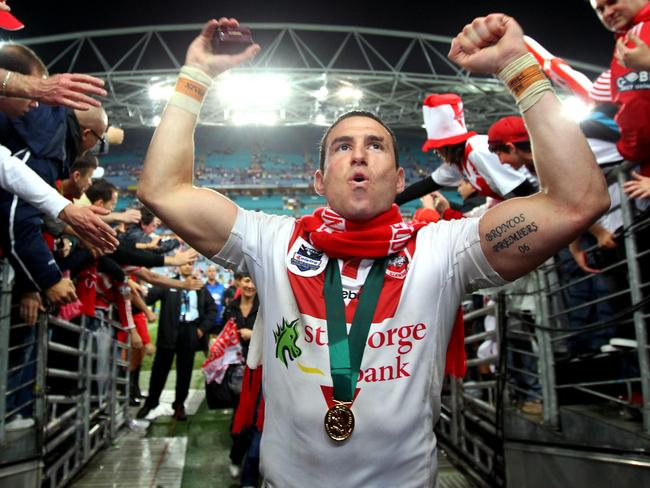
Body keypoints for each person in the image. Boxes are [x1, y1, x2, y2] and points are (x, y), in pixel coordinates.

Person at [137, 15, 609, 486]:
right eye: (342, 146)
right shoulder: (272, 241)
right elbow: (163, 190)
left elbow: (576, 201)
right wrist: (196, 75)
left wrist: (517, 66)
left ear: (401, 180)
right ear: (319, 181)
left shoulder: (443, 249)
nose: (359, 154)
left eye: (375, 146)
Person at [136, 261, 216, 421]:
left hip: (190, 331)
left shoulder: (200, 287)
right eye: (184, 263)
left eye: (190, 264)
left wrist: (201, 329)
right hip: (169, 330)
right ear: (179, 266)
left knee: (185, 371)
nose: (187, 266)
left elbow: (212, 310)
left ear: (193, 266)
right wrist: (137, 288)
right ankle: (151, 403)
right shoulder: (169, 283)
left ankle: (179, 405)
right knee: (159, 369)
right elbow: (149, 298)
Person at [589, 0, 650, 197]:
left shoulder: (638, 35)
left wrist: (628, 149)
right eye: (600, 9)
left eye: (612, 2)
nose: (608, 12)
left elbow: (638, 112)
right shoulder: (630, 36)